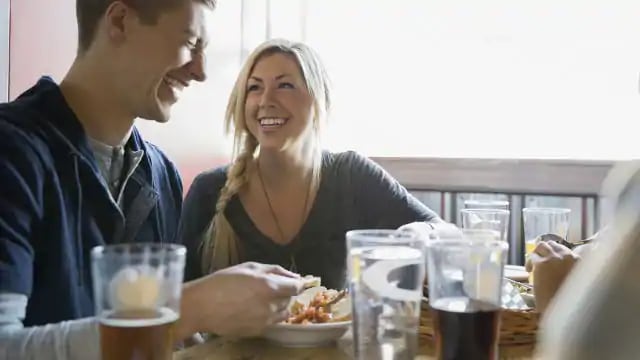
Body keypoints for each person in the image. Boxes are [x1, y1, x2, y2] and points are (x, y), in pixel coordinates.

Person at [0, 1, 303, 359]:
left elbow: (164, 342)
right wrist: (186, 309)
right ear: (120, 20)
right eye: (191, 43)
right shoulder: (12, 152)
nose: (200, 71)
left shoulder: (161, 175)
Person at [180, 39, 454, 289]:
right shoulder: (209, 190)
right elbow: (176, 302)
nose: (266, 101)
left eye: (284, 85)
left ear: (318, 99)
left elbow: (447, 234)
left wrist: (420, 233)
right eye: (255, 88)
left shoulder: (350, 176)